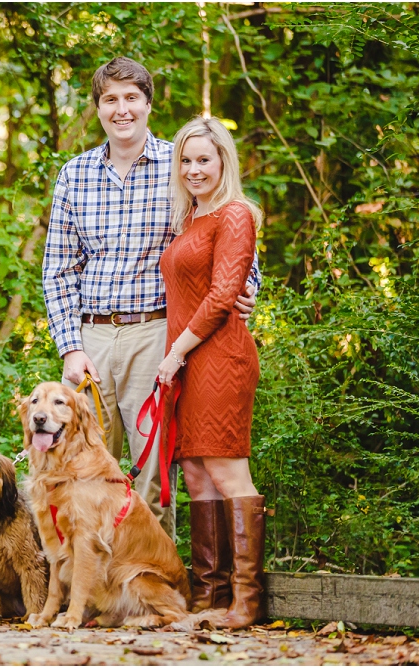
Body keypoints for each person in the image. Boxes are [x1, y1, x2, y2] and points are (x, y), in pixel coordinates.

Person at [42, 57, 258, 539]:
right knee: (82, 467)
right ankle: (93, 592)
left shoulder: (180, 164)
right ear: (98, 108)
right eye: (110, 100)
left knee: (152, 473)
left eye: (131, 98)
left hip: (159, 334)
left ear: (148, 104)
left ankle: (150, 592)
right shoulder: (74, 174)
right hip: (91, 338)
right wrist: (70, 347)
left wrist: (247, 291)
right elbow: (57, 269)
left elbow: (230, 241)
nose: (122, 110)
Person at [157, 116, 268, 629]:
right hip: (189, 358)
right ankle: (208, 596)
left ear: (224, 160)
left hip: (219, 356)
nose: (194, 168)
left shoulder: (236, 214)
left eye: (204, 159)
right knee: (197, 475)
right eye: (186, 160)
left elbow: (225, 295)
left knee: (226, 471)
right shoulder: (191, 218)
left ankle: (246, 601)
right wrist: (179, 354)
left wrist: (176, 350)